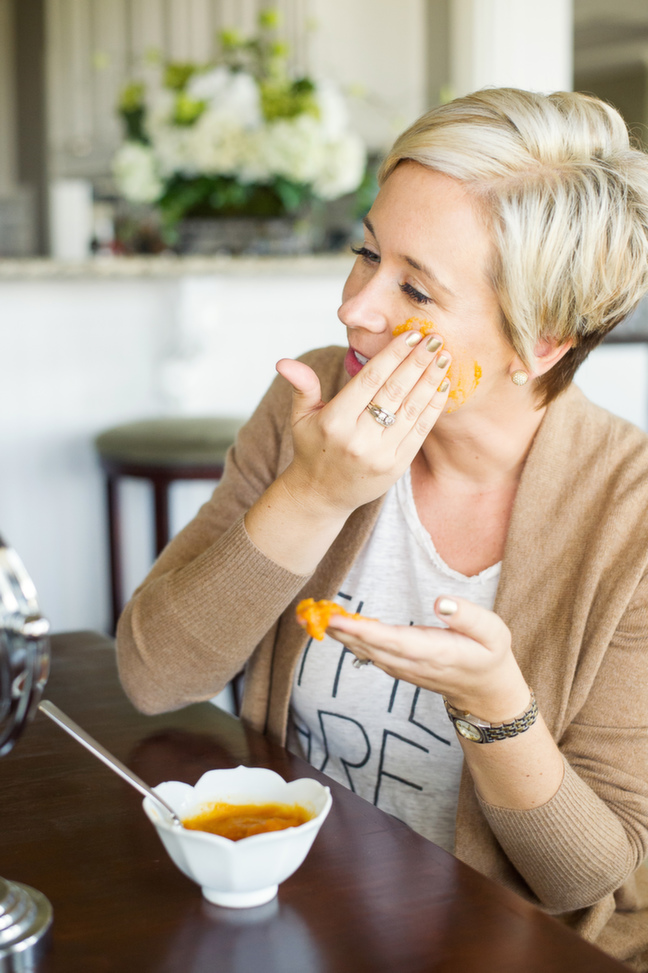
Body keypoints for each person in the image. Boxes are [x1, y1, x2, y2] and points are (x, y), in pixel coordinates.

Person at [116, 88, 648, 968]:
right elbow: (150, 673)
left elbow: (587, 879)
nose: (353, 306)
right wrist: (315, 490)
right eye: (366, 250)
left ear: (542, 340)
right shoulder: (313, 404)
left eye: (415, 288)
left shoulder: (629, 518)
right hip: (309, 926)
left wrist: (495, 706)